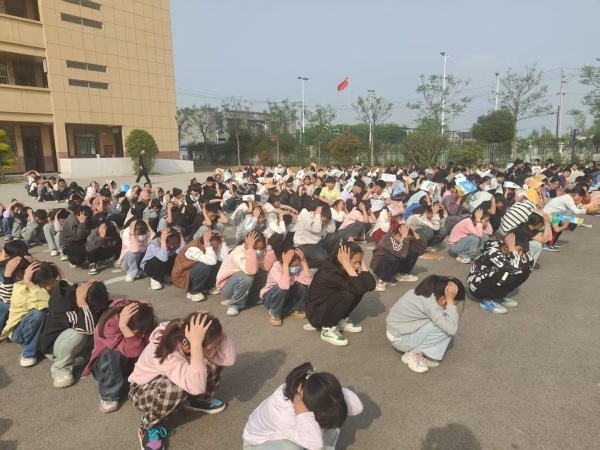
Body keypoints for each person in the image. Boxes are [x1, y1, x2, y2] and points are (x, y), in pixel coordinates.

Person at [129, 312, 235, 450]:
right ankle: (148, 426)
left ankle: (197, 401)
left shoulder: (185, 335)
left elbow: (227, 359)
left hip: (175, 374)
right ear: (187, 346)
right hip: (142, 392)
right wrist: (196, 346)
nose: (214, 349)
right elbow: (196, 387)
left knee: (213, 358)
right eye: (210, 347)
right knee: (175, 387)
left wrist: (217, 331)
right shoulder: (165, 351)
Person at [242, 362, 363, 449]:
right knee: (292, 448)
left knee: (335, 413)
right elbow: (315, 444)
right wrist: (299, 403)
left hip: (293, 428)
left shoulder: (308, 387)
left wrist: (331, 390)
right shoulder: (284, 413)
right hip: (259, 443)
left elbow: (358, 407)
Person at [83, 299, 157, 413]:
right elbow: (135, 351)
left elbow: (150, 344)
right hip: (104, 366)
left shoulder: (139, 318)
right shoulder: (109, 325)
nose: (142, 335)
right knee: (114, 353)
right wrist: (123, 326)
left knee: (150, 345)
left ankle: (137, 377)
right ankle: (109, 395)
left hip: (126, 363)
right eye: (137, 332)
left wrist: (148, 312)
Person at [39, 279, 112, 388]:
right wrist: (82, 302)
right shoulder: (63, 303)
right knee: (77, 334)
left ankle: (90, 355)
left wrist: (109, 298)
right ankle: (60, 367)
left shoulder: (88, 294)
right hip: (56, 349)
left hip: (80, 345)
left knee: (106, 321)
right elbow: (87, 329)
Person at [386, 275, 465, 373]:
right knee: (445, 327)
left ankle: (423, 351)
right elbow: (451, 328)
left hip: (396, 333)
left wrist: (449, 302)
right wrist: (450, 302)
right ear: (443, 299)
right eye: (454, 303)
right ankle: (413, 354)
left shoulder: (426, 293)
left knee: (444, 320)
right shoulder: (431, 305)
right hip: (400, 341)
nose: (452, 305)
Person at [304, 243, 376, 347]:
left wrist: (362, 263)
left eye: (359, 262)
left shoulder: (345, 268)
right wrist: (348, 266)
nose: (357, 266)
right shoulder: (329, 272)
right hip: (316, 314)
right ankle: (328, 329)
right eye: (355, 262)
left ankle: (340, 320)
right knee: (349, 293)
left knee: (356, 286)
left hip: (328, 304)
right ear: (341, 260)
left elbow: (370, 286)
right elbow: (360, 288)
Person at [1, 262, 60, 367]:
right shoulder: (21, 289)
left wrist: (60, 273)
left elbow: (69, 294)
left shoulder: (48, 285)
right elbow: (46, 304)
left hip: (40, 329)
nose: (51, 285)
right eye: (46, 284)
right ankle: (28, 353)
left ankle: (46, 346)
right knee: (39, 313)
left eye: (53, 281)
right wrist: (29, 283)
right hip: (19, 332)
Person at [468, 230, 534, 314]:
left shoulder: (507, 249)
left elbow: (526, 265)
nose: (520, 254)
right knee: (510, 274)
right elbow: (515, 269)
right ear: (506, 248)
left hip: (491, 279)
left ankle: (499, 296)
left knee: (525, 272)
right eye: (519, 250)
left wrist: (515, 252)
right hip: (477, 287)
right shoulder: (493, 252)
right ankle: (489, 300)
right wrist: (512, 250)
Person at [216, 231, 275, 317]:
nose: (259, 251)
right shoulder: (239, 252)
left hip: (244, 284)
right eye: (256, 248)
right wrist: (250, 249)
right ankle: (234, 304)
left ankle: (252, 299)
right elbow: (251, 271)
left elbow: (268, 267)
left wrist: (267, 247)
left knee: (264, 273)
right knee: (246, 277)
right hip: (226, 287)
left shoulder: (261, 251)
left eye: (261, 248)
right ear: (247, 243)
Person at [172, 231, 229, 302]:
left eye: (216, 247)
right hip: (183, 275)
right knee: (206, 264)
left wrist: (222, 242)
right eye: (213, 247)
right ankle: (193, 291)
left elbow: (225, 259)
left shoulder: (213, 244)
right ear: (203, 244)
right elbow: (211, 261)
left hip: (195, 269)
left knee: (219, 262)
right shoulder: (193, 249)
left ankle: (208, 287)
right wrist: (208, 245)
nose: (215, 250)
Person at [260, 249, 312, 326]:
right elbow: (284, 286)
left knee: (303, 285)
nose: (296, 268)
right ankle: (275, 313)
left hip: (285, 298)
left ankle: (294, 309)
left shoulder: (299, 266)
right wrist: (286, 264)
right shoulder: (276, 268)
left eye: (298, 265)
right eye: (293, 266)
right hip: (270, 299)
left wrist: (304, 260)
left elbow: (308, 281)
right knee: (282, 288)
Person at [371, 224, 425, 292]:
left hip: (393, 265)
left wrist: (414, 232)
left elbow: (422, 247)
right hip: (379, 268)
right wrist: (404, 237)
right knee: (393, 257)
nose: (407, 240)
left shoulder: (402, 237)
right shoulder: (387, 239)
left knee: (415, 250)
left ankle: (402, 274)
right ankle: (382, 281)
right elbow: (401, 253)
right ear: (396, 236)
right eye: (404, 238)